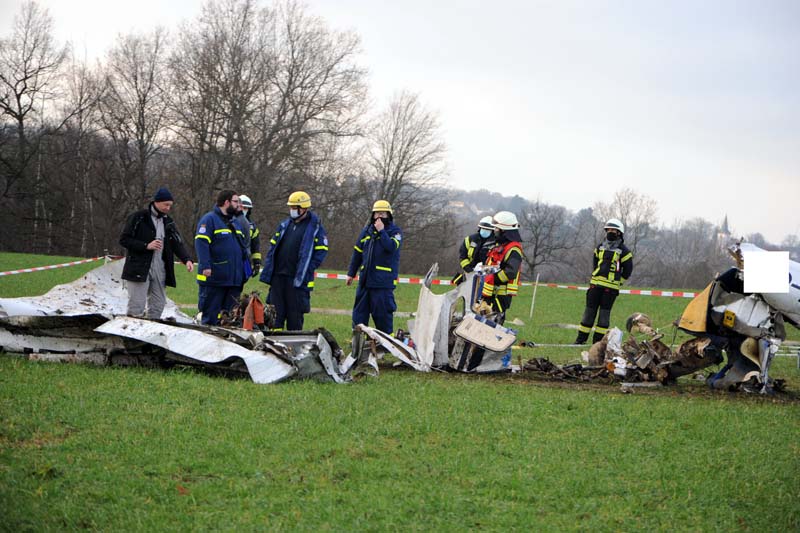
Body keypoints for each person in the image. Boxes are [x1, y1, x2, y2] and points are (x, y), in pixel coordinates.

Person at [120, 187, 194, 319]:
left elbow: (177, 243)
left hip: (160, 268)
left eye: (170, 205)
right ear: (156, 202)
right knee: (137, 304)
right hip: (139, 267)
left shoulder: (168, 221)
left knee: (158, 304)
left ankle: (152, 330)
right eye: (166, 205)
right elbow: (124, 240)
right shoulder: (138, 217)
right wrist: (146, 246)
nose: (168, 208)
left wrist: (186, 259)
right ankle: (131, 334)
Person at [259, 191, 329, 330]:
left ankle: (294, 346)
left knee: (294, 316)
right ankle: (274, 343)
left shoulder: (315, 228)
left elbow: (321, 251)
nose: (292, 210)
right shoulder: (285, 225)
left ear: (304, 208)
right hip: (278, 277)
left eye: (294, 207)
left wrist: (308, 268)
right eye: (290, 207)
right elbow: (273, 248)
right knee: (275, 315)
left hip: (297, 280)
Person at [346, 200, 403, 334]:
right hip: (365, 281)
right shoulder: (366, 231)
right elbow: (357, 253)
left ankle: (385, 344)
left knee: (382, 315)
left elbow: (390, 247)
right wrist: (351, 273)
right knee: (359, 314)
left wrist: (382, 232)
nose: (379, 216)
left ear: (388, 215)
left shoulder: (395, 231)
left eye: (382, 213)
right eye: (377, 213)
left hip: (382, 282)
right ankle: (358, 341)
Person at [574, 218, 633, 344]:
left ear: (619, 233)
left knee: (603, 317)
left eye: (614, 230)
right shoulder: (600, 247)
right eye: (609, 230)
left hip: (610, 290)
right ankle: (580, 340)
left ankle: (597, 343)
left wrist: (618, 282)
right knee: (589, 313)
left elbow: (628, 270)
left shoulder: (625, 251)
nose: (611, 232)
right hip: (595, 286)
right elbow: (596, 264)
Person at [194, 190, 248, 325]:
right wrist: (206, 266)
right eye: (236, 202)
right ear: (226, 202)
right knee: (211, 317)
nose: (239, 206)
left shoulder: (235, 223)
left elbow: (242, 249)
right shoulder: (209, 220)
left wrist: (245, 270)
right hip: (215, 280)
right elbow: (201, 243)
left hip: (233, 281)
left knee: (230, 320)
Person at [480, 211, 524, 323]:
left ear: (504, 231)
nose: (494, 231)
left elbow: (510, 272)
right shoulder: (500, 245)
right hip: (490, 292)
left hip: (500, 295)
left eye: (497, 229)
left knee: (495, 323)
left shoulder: (514, 250)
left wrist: (493, 278)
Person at [452, 215, 496, 285]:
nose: (485, 231)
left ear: (492, 231)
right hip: (469, 274)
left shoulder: (496, 243)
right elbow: (462, 256)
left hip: (486, 276)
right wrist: (469, 269)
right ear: (479, 228)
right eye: (483, 228)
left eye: (488, 230)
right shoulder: (469, 240)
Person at [236, 194, 262, 277]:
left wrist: (256, 262)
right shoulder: (229, 222)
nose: (243, 210)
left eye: (245, 208)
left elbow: (255, 246)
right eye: (241, 207)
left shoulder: (252, 227)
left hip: (244, 259)